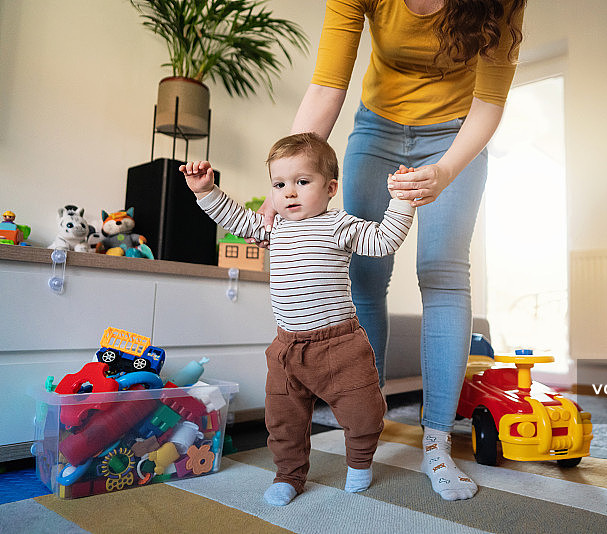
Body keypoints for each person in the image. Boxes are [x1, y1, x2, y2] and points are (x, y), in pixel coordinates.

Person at [254, 0, 526, 501]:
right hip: (376, 127)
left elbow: (489, 102)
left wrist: (445, 171)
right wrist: (284, 181)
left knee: (443, 272)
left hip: (456, 133)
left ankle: (438, 442)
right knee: (365, 272)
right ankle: (362, 427)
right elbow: (326, 84)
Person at [180, 132, 416, 506]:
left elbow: (384, 241)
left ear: (330, 187)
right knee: (283, 421)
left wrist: (401, 201)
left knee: (364, 411)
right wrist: (206, 190)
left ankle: (358, 463)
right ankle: (289, 475)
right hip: (288, 348)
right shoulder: (275, 230)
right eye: (280, 184)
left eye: (302, 182)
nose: (289, 192)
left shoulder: (340, 224)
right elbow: (236, 219)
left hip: (340, 344)